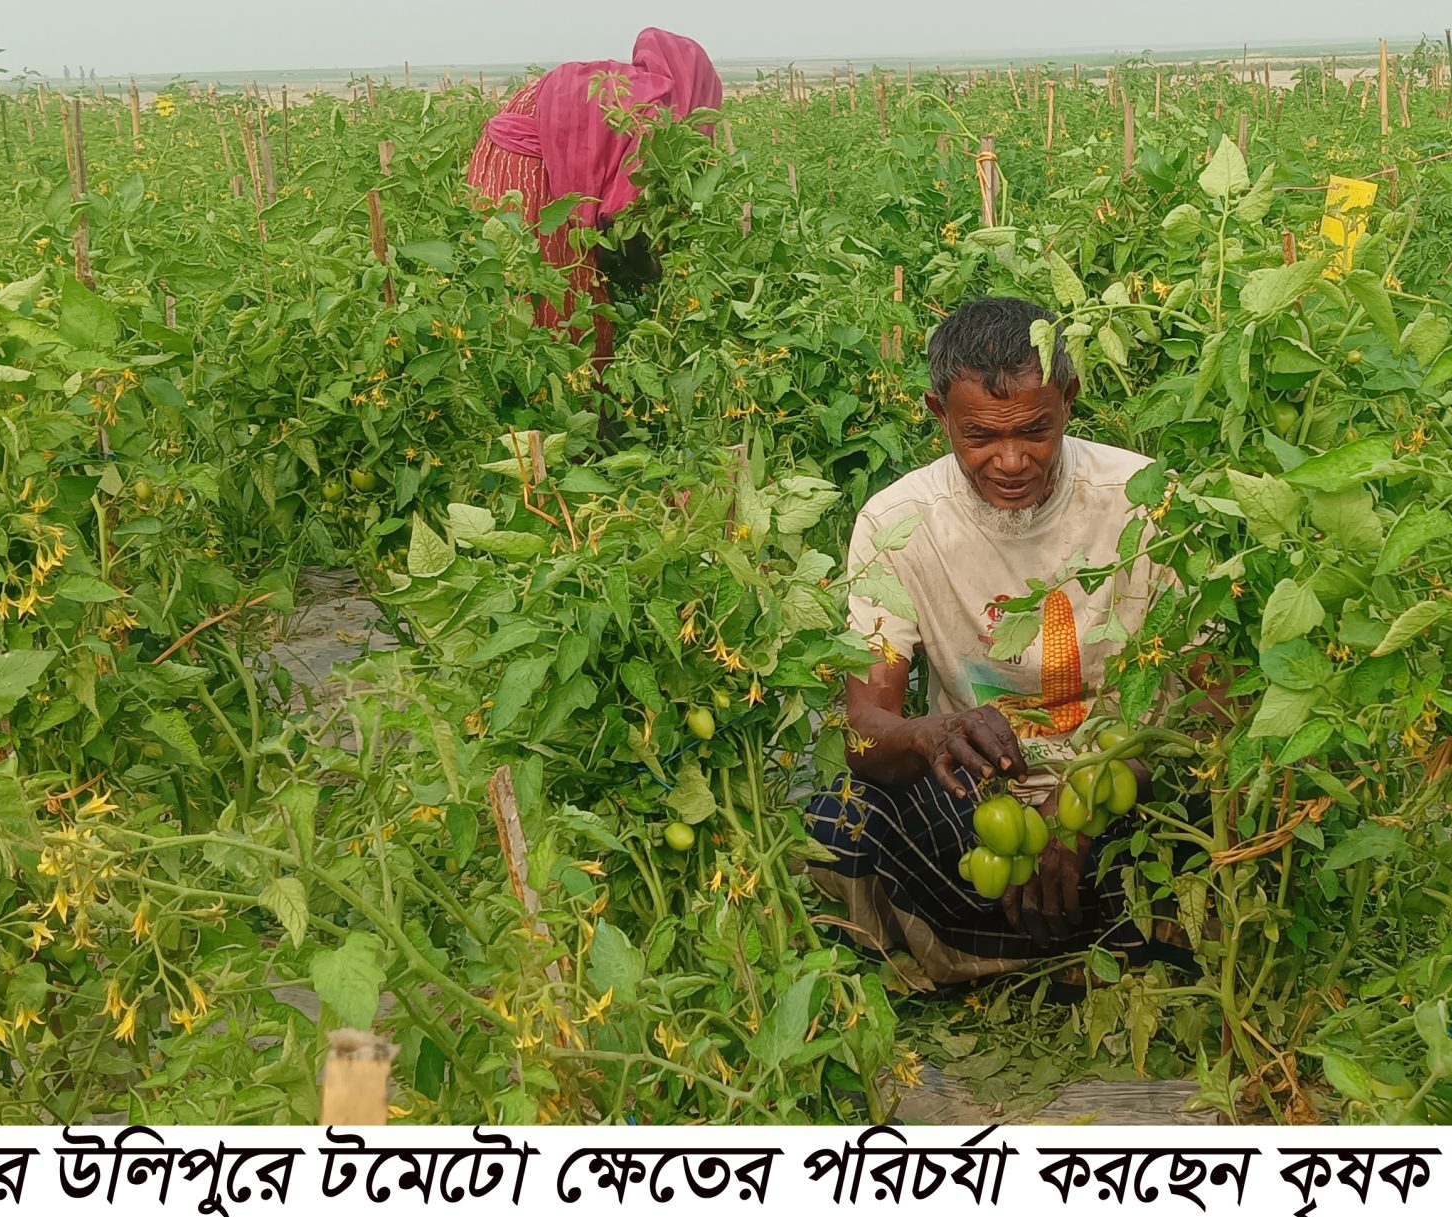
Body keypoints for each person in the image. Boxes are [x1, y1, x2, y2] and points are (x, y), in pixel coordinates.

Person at [807, 297, 1166, 985]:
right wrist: (932, 735)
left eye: (1035, 431)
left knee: (1221, 807)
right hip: (975, 803)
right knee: (841, 822)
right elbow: (864, 728)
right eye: (979, 437)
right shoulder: (900, 523)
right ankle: (1109, 952)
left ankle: (975, 949)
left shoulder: (1142, 502)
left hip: (1123, 792)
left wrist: (1080, 811)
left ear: (1069, 400)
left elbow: (1206, 709)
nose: (1009, 460)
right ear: (939, 415)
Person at [463, 28, 721, 360]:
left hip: (495, 163)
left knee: (502, 283)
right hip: (531, 174)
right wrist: (648, 271)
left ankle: (504, 378)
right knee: (563, 296)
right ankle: (567, 397)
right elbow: (622, 214)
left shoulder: (628, 84)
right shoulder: (656, 116)